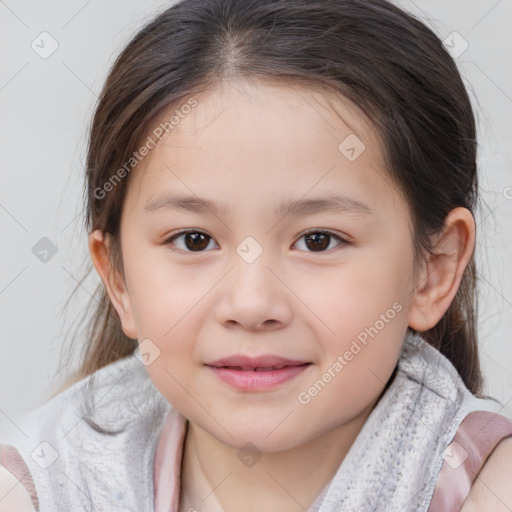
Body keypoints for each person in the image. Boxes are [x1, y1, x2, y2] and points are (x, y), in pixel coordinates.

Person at [1, 0, 511, 510]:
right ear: (119, 279)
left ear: (434, 270)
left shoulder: (485, 488)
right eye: (193, 240)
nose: (250, 304)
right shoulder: (43, 484)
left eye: (318, 240)